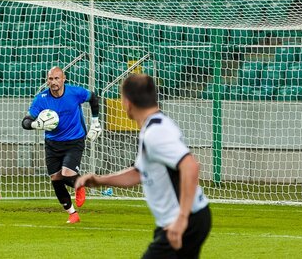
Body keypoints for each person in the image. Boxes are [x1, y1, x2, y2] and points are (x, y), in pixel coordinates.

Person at [75, 74, 211, 258]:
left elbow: (191, 166)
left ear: (128, 102)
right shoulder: (155, 125)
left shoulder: (156, 132)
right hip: (189, 218)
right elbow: (138, 174)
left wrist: (181, 219)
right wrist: (100, 180)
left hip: (186, 219)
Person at [21, 66, 102, 224]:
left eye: (57, 78)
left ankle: (80, 184)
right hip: (52, 143)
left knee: (66, 173)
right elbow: (25, 121)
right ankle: (72, 214)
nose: (53, 82)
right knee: (56, 179)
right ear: (47, 80)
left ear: (64, 79)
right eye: (50, 79)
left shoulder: (74, 93)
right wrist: (35, 124)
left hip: (74, 140)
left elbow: (93, 97)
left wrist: (95, 122)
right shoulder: (41, 99)